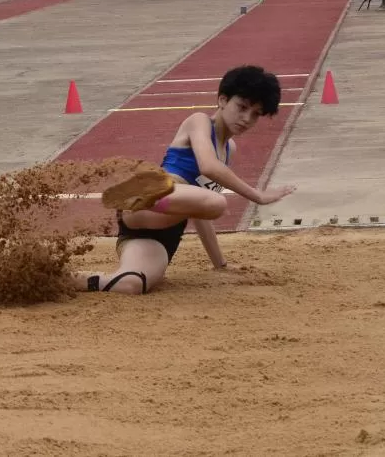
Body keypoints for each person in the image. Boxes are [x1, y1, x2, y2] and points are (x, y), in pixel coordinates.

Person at [74, 66, 296, 295]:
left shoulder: (229, 148)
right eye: (242, 107)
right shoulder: (199, 121)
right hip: (148, 207)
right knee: (216, 203)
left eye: (256, 114)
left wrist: (220, 265)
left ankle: (65, 279)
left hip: (156, 233)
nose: (247, 118)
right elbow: (208, 167)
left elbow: (201, 214)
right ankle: (138, 194)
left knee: (132, 284)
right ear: (222, 99)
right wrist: (257, 195)